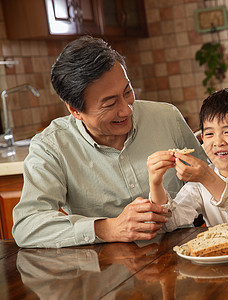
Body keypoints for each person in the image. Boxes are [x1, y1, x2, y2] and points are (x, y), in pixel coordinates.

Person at [12, 36, 208, 248]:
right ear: (75, 110)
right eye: (110, 103)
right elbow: (27, 226)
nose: (126, 109)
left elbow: (213, 179)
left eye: (127, 92)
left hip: (186, 255)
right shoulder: (52, 146)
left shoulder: (166, 117)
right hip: (108, 270)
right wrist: (107, 228)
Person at [146, 88, 228, 230]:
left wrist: (207, 178)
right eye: (210, 134)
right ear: (203, 139)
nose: (217, 142)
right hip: (221, 252)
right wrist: (155, 184)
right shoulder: (198, 183)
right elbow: (171, 223)